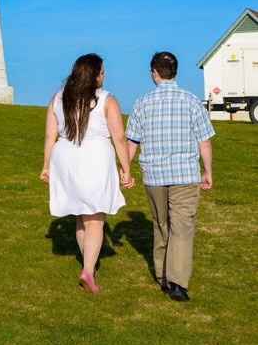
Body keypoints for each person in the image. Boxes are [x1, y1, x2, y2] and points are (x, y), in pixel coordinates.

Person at [40, 53, 134, 294]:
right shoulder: (106, 100)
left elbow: (51, 135)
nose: (104, 76)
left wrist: (46, 165)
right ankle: (89, 271)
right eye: (102, 72)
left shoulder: (58, 98)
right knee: (95, 218)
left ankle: (87, 265)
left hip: (65, 158)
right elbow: (119, 137)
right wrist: (126, 169)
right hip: (94, 158)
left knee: (82, 216)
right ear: (94, 75)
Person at [126, 51, 215, 302]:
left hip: (154, 175)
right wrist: (207, 171)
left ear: (154, 73)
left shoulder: (142, 102)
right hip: (186, 174)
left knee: (161, 225)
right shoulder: (191, 100)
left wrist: (124, 169)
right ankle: (177, 283)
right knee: (182, 227)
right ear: (175, 72)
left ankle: (163, 276)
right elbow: (204, 141)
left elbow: (131, 141)